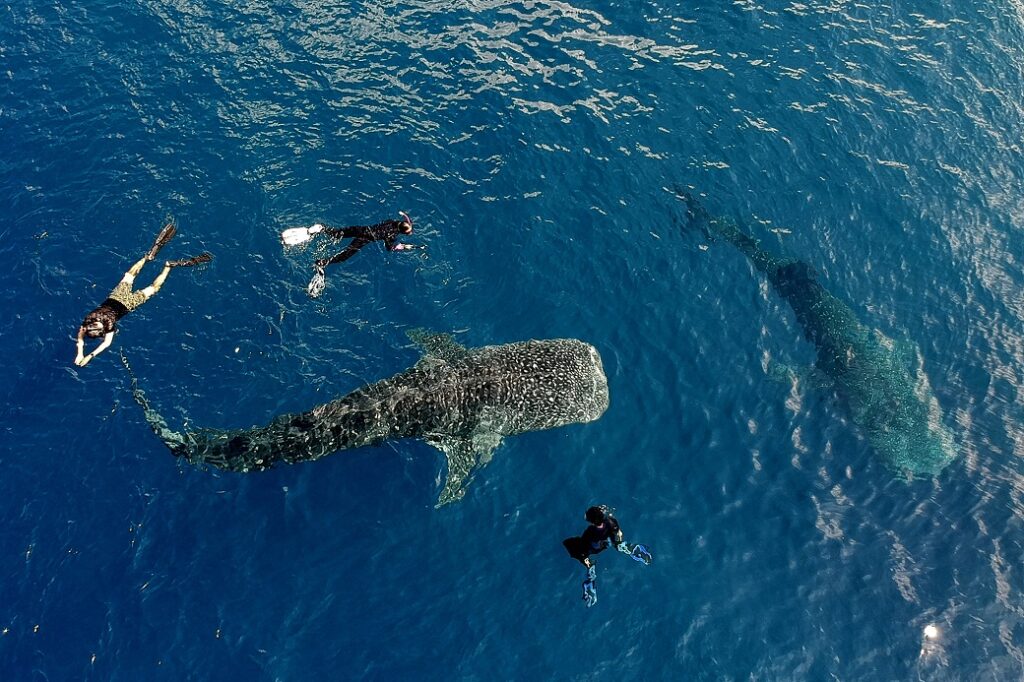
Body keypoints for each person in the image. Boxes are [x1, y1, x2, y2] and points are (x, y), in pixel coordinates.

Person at [74, 221, 211, 367]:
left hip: (127, 305)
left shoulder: (109, 326)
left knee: (153, 288)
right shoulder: (90, 318)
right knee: (130, 275)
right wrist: (81, 351)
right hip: (116, 297)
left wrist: (88, 355)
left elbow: (106, 344)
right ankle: (147, 258)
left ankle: (168, 267)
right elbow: (81, 333)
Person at [284, 211, 422, 297]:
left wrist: (406, 217)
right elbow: (389, 247)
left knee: (338, 233)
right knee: (345, 255)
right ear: (403, 232)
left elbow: (403, 223)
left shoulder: (392, 223)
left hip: (362, 229)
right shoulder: (392, 235)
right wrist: (401, 247)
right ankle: (323, 262)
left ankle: (322, 229)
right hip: (365, 239)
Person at [563, 505, 652, 607]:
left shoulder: (590, 531)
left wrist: (583, 555)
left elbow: (584, 544)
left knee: (570, 544)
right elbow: (618, 532)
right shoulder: (611, 521)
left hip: (595, 548)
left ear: (592, 521)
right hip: (607, 541)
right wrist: (617, 541)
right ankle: (623, 547)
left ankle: (590, 565)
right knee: (617, 541)